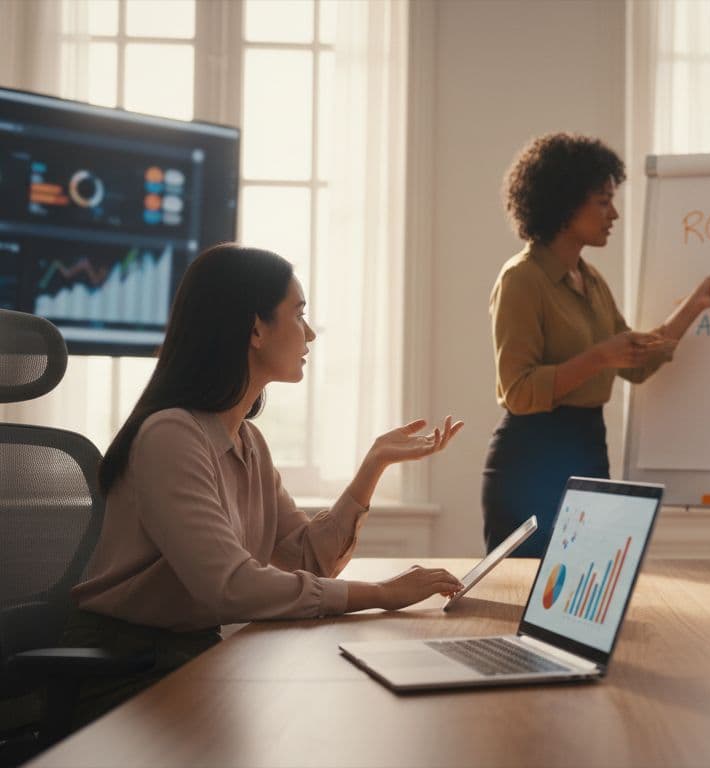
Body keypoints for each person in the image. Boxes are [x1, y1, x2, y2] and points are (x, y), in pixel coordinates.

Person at [66, 243, 466, 724]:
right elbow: (230, 587)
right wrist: (380, 593)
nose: (310, 333)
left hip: (189, 658)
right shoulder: (170, 435)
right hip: (128, 677)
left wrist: (373, 465)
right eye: (299, 314)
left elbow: (309, 559)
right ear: (255, 328)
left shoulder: (248, 440)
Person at [484, 133, 710, 556]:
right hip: (532, 457)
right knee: (525, 593)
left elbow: (635, 364)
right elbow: (520, 392)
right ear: (564, 206)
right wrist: (600, 356)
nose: (614, 213)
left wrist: (697, 303)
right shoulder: (521, 279)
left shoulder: (590, 278)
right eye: (602, 202)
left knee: (586, 595)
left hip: (587, 449)